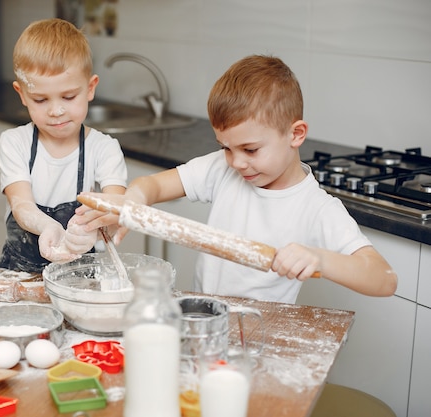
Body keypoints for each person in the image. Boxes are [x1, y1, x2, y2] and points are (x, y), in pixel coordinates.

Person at [75, 54, 397, 304]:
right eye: (226, 148)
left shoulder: (316, 208)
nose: (238, 162)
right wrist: (134, 202)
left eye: (251, 149)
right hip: (206, 316)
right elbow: (154, 185)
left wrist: (320, 258)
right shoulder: (222, 169)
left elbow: (383, 278)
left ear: (295, 134)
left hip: (260, 333)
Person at [0, 18, 127, 273]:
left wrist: (91, 233)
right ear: (22, 94)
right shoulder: (14, 143)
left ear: (90, 88)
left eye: (68, 97)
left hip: (79, 278)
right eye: (40, 99)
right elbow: (22, 206)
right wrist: (49, 227)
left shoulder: (104, 150)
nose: (56, 111)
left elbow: (115, 209)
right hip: (19, 275)